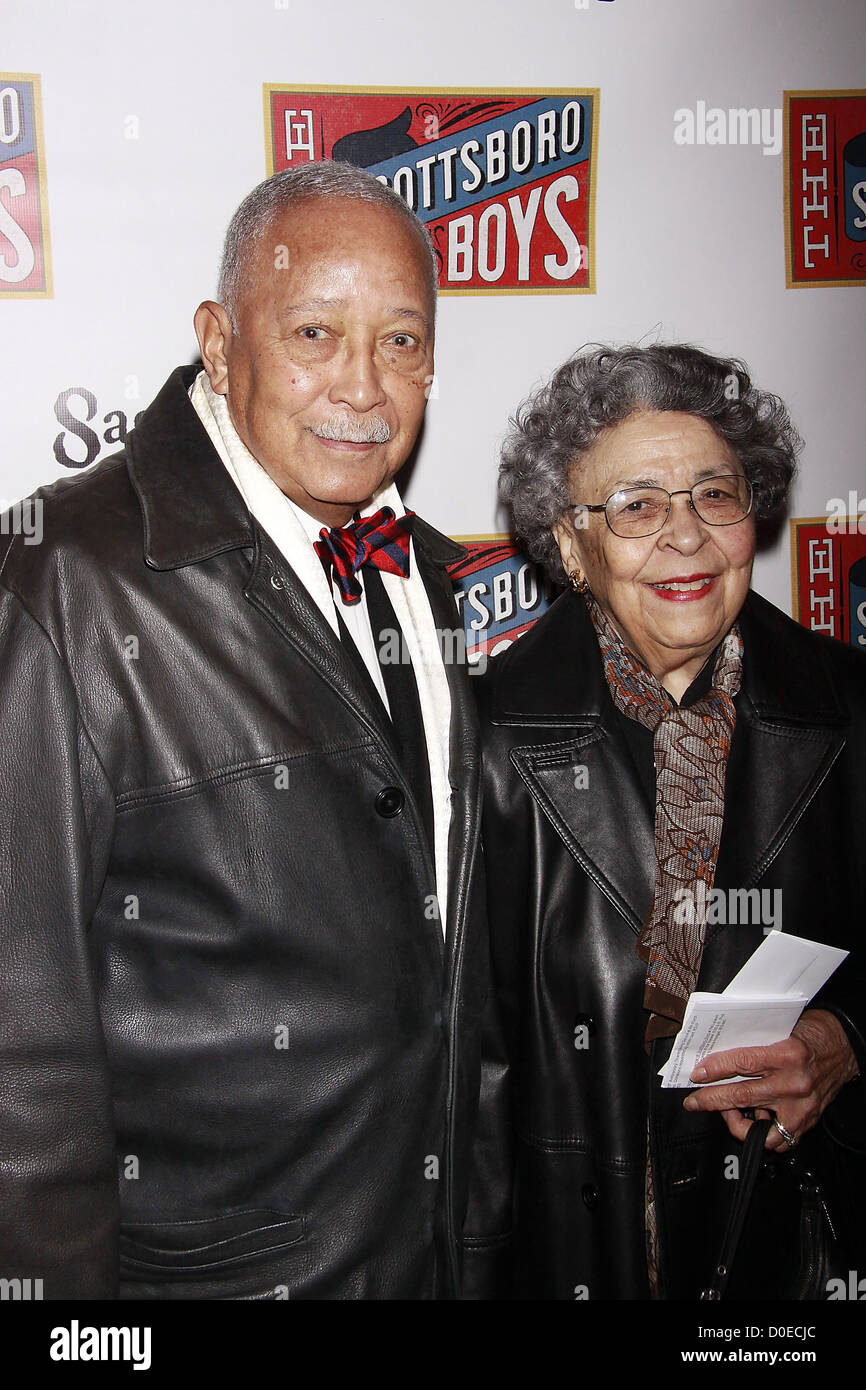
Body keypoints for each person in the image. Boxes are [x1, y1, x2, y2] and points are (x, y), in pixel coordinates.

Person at [0, 161, 493, 1300]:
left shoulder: (426, 574)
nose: (363, 389)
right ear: (221, 345)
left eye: (403, 342)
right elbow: (19, 1046)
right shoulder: (71, 578)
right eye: (315, 333)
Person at [475, 343, 866, 1299]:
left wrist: (848, 1039)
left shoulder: (851, 710)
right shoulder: (480, 747)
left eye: (714, 495)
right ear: (572, 546)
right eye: (637, 506)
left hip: (786, 1255)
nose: (685, 537)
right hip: (576, 1256)